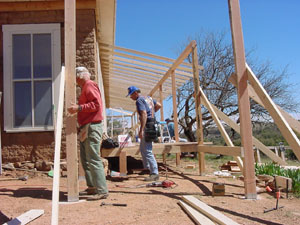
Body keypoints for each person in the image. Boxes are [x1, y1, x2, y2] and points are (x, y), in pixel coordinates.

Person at [67, 66, 108, 201]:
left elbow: (96, 105)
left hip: (92, 126)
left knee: (93, 158)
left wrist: (78, 108)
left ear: (80, 76)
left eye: (76, 78)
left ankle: (101, 190)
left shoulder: (89, 85)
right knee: (85, 159)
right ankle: (92, 187)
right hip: (87, 127)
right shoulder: (86, 87)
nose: (76, 82)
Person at [127, 86, 161, 181]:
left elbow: (144, 114)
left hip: (147, 125)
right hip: (152, 123)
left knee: (147, 150)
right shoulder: (148, 98)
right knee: (142, 148)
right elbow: (159, 105)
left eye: (131, 95)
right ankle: (147, 168)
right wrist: (152, 113)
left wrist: (141, 129)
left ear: (135, 93)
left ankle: (154, 173)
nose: (131, 97)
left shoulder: (139, 101)